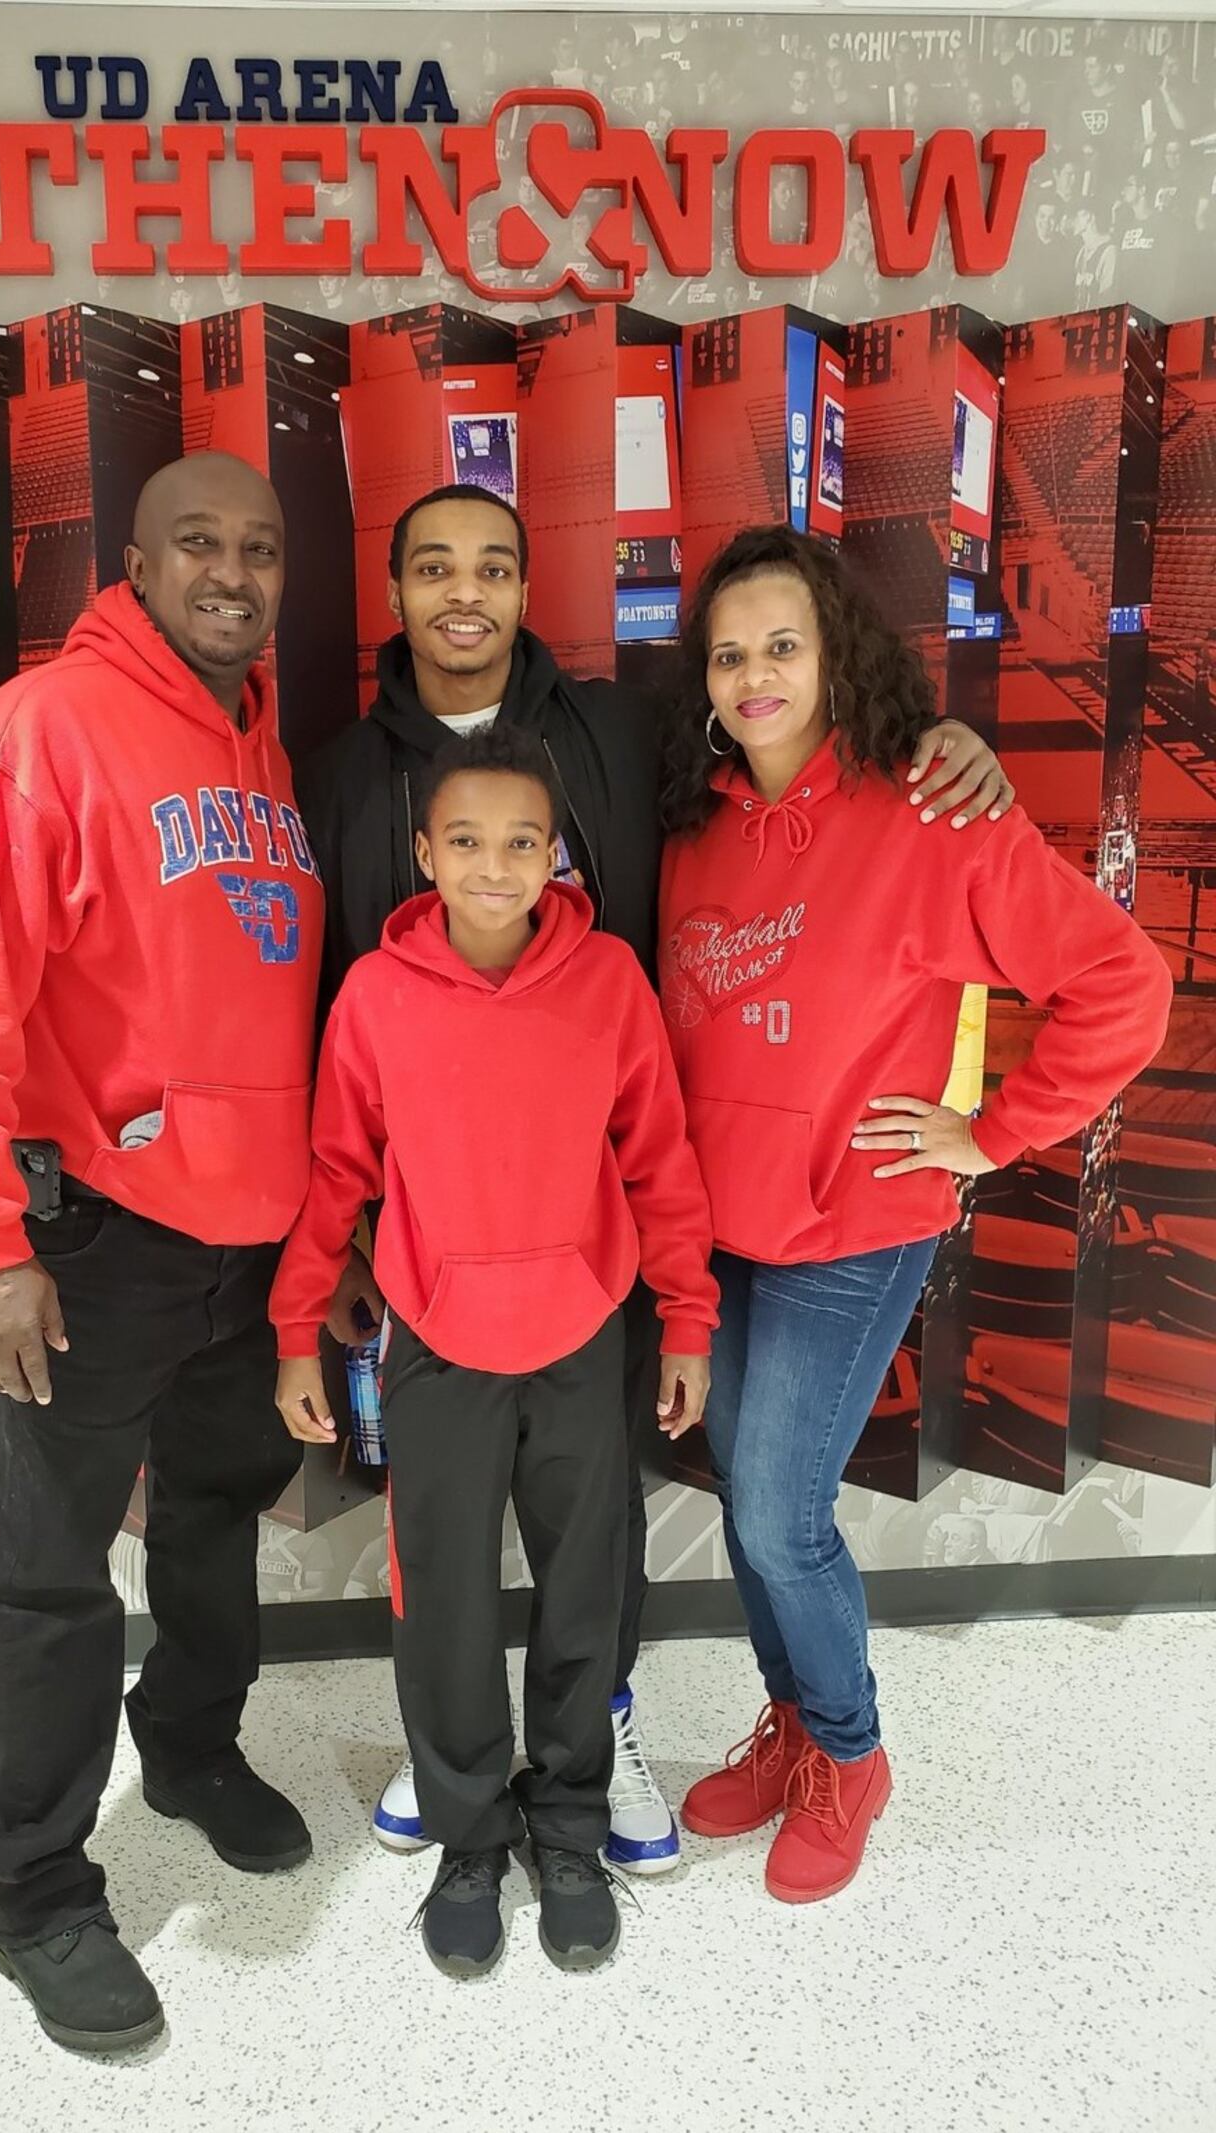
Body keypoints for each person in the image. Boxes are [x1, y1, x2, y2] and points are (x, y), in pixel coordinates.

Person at [297, 482, 1015, 1872]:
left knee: (598, 1512)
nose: (466, 591)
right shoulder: (335, 774)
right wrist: (329, 1246)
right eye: (435, 565)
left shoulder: (626, 731)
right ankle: (447, 1745)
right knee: (438, 1523)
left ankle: (603, 1723)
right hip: (431, 1239)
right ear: (393, 593)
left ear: (524, 589)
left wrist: (942, 744)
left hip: (610, 1222)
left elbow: (799, 750)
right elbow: (330, 1023)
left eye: (495, 565)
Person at [0, 451, 357, 2055]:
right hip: (89, 1249)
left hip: (248, 1250)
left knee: (218, 1525)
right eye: (198, 546)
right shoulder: (33, 735)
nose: (233, 573)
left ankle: (191, 1745)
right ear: (135, 563)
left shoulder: (263, 749)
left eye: (260, 548)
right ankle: (32, 1884)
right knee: (48, 1578)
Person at [655, 526, 1171, 1904]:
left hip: (852, 1223)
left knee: (778, 1510)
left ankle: (851, 1754)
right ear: (702, 679)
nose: (757, 674)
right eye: (731, 652)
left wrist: (990, 1132)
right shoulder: (692, 831)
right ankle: (789, 1722)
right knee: (747, 1498)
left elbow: (1122, 983)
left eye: (783, 645)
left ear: (836, 660)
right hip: (722, 1231)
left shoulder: (931, 816)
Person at [271, 724, 717, 1976]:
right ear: (424, 853)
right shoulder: (373, 994)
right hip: (438, 1347)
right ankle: (470, 1839)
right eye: (465, 840)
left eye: (522, 841)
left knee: (583, 1597)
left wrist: (686, 1316)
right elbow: (333, 1176)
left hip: (581, 1339)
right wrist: (295, 1327)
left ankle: (567, 1829)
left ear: (554, 856)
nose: (493, 864)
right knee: (446, 1608)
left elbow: (663, 1165)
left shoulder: (610, 982)